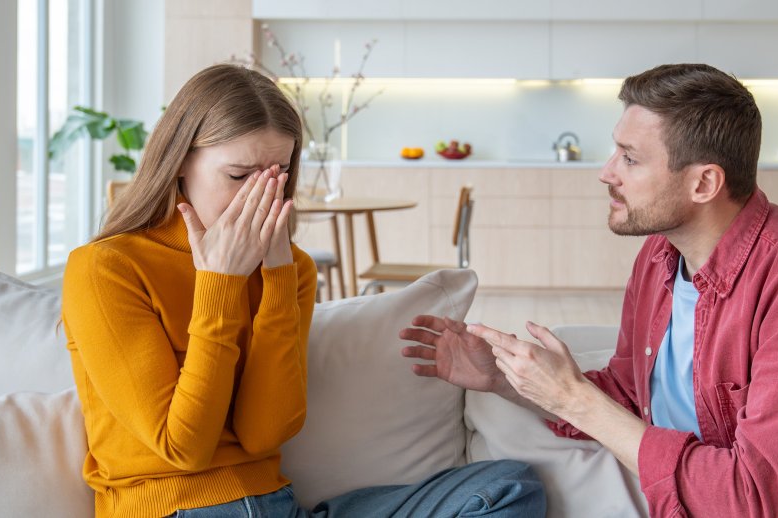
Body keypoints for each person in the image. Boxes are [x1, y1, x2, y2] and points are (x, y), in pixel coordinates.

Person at [400, 63, 778, 517]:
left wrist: (574, 399)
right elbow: (628, 394)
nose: (606, 172)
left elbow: (751, 501)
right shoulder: (661, 257)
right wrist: (503, 379)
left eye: (630, 159)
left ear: (704, 182)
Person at [62, 64, 545, 518]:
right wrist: (220, 283)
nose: (262, 198)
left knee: (507, 487)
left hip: (277, 504)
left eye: (277, 177)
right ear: (180, 161)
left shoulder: (291, 268)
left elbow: (262, 433)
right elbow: (182, 448)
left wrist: (276, 281)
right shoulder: (107, 268)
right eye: (237, 176)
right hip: (174, 508)